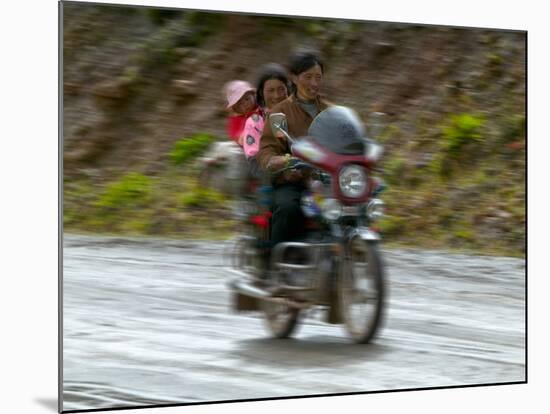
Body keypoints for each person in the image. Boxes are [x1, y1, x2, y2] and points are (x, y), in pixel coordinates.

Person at [257, 51, 331, 247]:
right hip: (294, 181)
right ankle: (273, 261)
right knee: (288, 208)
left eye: (318, 77)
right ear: (294, 78)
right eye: (308, 77)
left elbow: (347, 140)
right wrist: (280, 162)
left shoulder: (330, 111)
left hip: (327, 181)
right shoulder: (279, 113)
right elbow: (269, 148)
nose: (314, 83)